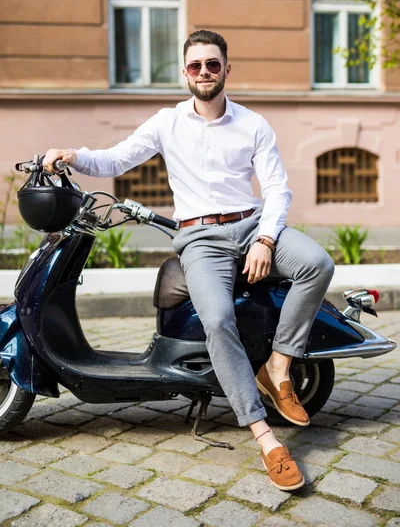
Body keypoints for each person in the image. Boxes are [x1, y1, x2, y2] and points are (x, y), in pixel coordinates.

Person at [43, 30, 334, 491]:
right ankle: (264, 437)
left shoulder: (253, 123)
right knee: (217, 319)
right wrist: (72, 155)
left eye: (212, 65)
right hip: (201, 239)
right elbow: (116, 160)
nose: (204, 73)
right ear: (184, 72)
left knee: (317, 263)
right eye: (196, 65)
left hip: (250, 224)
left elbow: (277, 188)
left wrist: (264, 239)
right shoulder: (166, 122)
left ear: (226, 70)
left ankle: (277, 366)